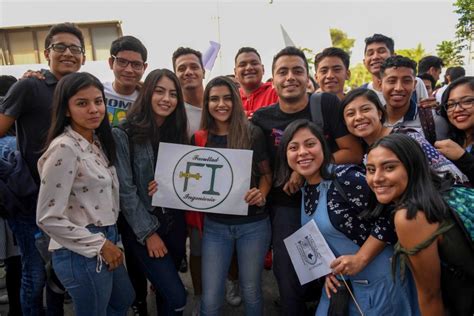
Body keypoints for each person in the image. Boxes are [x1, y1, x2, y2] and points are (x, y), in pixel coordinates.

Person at [252, 46, 363, 315]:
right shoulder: (262, 118)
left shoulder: (325, 104)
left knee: (338, 267)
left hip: (329, 200)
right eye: (283, 72)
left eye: (297, 71)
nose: (290, 77)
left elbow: (353, 151)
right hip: (287, 206)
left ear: (308, 76)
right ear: (273, 78)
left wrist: (305, 170)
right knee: (289, 274)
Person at [275, 119, 419, 315]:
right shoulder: (306, 188)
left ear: (323, 148)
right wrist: (325, 272)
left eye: (310, 144)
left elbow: (392, 213)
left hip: (381, 284)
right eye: (293, 147)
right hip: (343, 288)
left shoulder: (345, 177)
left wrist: (361, 258)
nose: (302, 152)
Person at [0, 22, 86, 315]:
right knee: (34, 276)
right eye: (59, 47)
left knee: (58, 278)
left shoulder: (79, 91)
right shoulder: (28, 86)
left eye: (75, 48)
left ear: (83, 57)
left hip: (69, 204)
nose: (67, 53)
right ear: (46, 52)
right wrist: (8, 176)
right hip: (30, 204)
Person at [36, 72, 135, 315]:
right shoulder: (64, 148)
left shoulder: (96, 142)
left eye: (98, 101)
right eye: (82, 103)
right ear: (66, 109)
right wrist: (100, 244)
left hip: (107, 237)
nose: (93, 109)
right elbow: (48, 217)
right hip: (81, 248)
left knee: (123, 300)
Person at [366, 133, 474, 315]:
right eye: (370, 169)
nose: (376, 178)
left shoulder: (410, 216)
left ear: (412, 167)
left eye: (389, 167)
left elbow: (430, 295)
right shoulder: (448, 190)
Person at [112, 69, 188, 315]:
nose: (167, 98)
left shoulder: (177, 132)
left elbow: (185, 180)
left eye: (173, 94)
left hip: (175, 223)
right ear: (146, 93)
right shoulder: (123, 133)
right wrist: (148, 233)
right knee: (177, 295)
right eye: (160, 91)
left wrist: (172, 184)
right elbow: (126, 192)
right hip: (143, 227)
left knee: (167, 296)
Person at [194, 76, 271, 315]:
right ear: (206, 103)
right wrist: (164, 187)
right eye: (214, 99)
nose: (221, 104)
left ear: (236, 101)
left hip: (254, 224)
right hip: (215, 226)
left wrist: (261, 193)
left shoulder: (252, 133)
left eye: (227, 98)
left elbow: (267, 175)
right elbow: (191, 179)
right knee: (211, 294)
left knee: (251, 290)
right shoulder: (200, 138)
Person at [341, 88, 467, 183]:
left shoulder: (408, 137)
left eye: (365, 109)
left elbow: (451, 175)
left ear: (379, 113)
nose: (359, 117)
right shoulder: (360, 151)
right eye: (351, 114)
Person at [380, 56, 449, 142]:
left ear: (414, 85)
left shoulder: (433, 120)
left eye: (406, 81)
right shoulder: (373, 120)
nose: (399, 88)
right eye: (391, 81)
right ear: (380, 85)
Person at [362, 33, 431, 107]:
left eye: (381, 51)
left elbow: (426, 110)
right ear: (364, 61)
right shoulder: (361, 92)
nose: (375, 57)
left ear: (393, 56)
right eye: (370, 53)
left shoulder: (415, 83)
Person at [435, 76, 474, 183]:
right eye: (451, 104)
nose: (457, 109)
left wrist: (462, 157)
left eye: (467, 101)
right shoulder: (448, 137)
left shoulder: (457, 151)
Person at [105, 35, 148, 127]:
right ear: (111, 62)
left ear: (144, 67)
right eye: (122, 61)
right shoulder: (98, 93)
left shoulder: (148, 100)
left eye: (136, 64)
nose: (129, 70)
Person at [234, 47, 278, 118]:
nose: (249, 67)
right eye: (242, 65)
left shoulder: (276, 92)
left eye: (254, 63)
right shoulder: (231, 98)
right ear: (235, 72)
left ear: (263, 69)